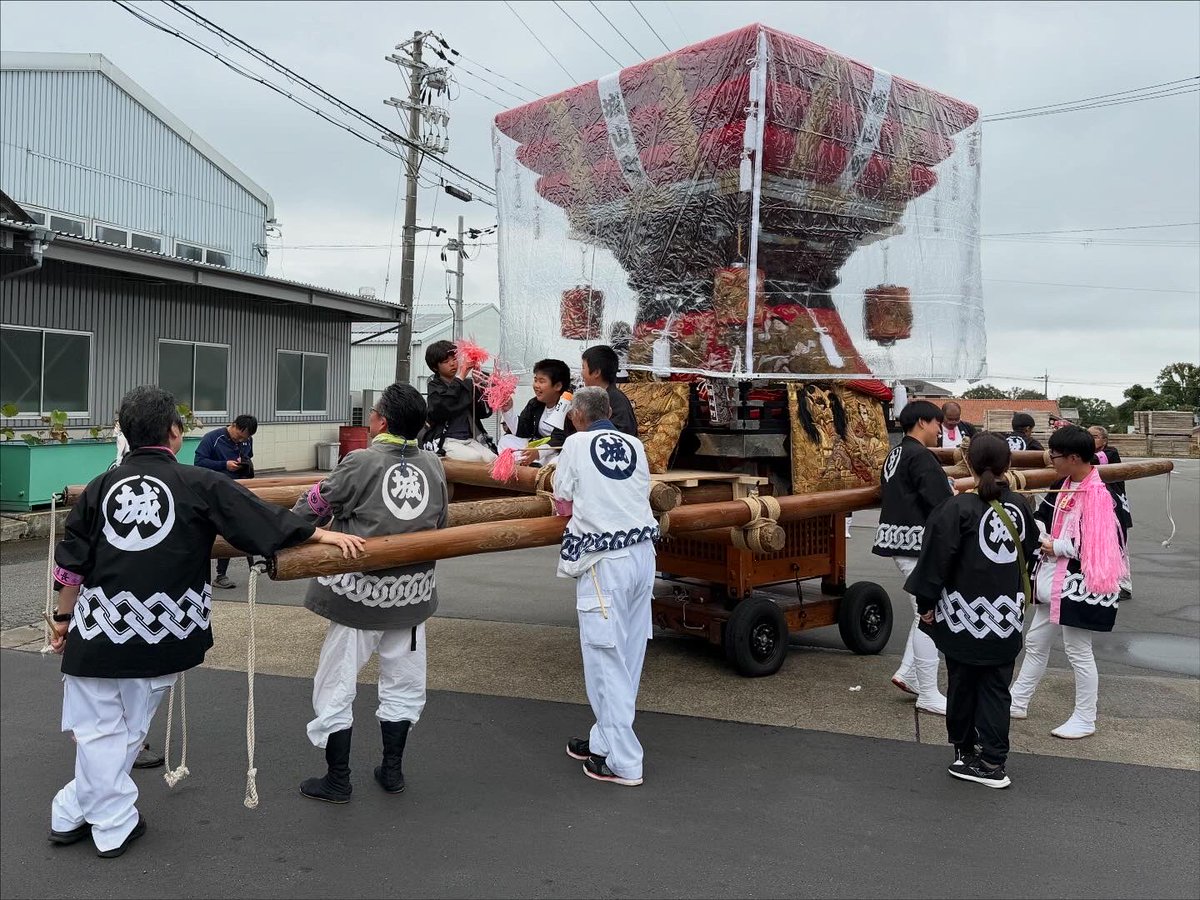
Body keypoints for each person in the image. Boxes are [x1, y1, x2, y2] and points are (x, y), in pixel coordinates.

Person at [46, 386, 363, 858]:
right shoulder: (198, 482)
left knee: (97, 731)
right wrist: (319, 532)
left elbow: (70, 566)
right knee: (127, 731)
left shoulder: (98, 487)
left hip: (96, 630)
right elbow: (259, 521)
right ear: (175, 433)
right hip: (161, 630)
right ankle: (109, 822)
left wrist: (62, 620)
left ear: (126, 435)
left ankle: (70, 812)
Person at [292, 383, 449, 803]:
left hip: (359, 597)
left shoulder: (360, 460)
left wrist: (290, 524)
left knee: (337, 684)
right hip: (413, 594)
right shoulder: (433, 464)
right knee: (403, 683)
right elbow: (442, 521)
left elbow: (315, 506)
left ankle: (338, 779)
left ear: (380, 420)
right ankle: (392, 771)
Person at [905, 433, 1040, 789]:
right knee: (997, 687)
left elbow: (934, 562)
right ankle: (993, 757)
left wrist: (926, 605)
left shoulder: (957, 508)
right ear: (1008, 465)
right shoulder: (1022, 507)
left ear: (968, 464)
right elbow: (1031, 554)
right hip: (1007, 614)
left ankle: (970, 753)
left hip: (964, 615)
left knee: (963, 684)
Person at [553, 387, 660, 786]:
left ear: (577, 415)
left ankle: (624, 760)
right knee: (627, 654)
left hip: (604, 561)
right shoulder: (633, 442)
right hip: (642, 554)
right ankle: (603, 739)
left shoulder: (576, 444)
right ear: (609, 412)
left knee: (604, 659)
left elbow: (562, 496)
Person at [1009, 425, 1127, 740]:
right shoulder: (1064, 484)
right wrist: (1037, 530)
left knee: (1078, 650)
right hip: (1056, 582)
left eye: (1056, 455)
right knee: (1035, 641)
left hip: (1079, 584)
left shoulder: (1100, 493)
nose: (1051, 460)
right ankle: (1017, 700)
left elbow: (1102, 545)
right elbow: (1046, 519)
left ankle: (1086, 717)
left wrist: (1055, 546)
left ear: (1074, 457)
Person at [872, 399, 953, 715]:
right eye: (937, 424)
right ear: (922, 422)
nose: (939, 431)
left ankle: (910, 674)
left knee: (924, 611)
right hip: (916, 544)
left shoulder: (896, 453)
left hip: (899, 540)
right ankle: (928, 692)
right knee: (930, 615)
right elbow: (941, 503)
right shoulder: (921, 456)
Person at [193, 414, 259, 589]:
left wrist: (244, 463)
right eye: (240, 435)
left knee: (244, 527)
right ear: (234, 425)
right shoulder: (213, 438)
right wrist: (224, 465)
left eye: (245, 439)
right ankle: (220, 574)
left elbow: (249, 456)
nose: (241, 440)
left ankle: (253, 567)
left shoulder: (246, 440)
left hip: (240, 488)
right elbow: (199, 462)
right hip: (216, 490)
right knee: (225, 528)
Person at [422, 339, 499, 462]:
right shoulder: (434, 386)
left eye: (454, 359)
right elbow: (443, 408)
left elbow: (484, 413)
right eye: (446, 361)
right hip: (446, 440)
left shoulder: (467, 384)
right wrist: (461, 376)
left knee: (493, 458)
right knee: (474, 457)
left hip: (469, 439)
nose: (452, 364)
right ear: (435, 367)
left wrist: (480, 386)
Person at [499, 358, 573, 467]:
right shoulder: (535, 403)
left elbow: (560, 439)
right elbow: (522, 430)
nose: (536, 385)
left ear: (558, 386)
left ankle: (530, 462)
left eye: (542, 381)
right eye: (535, 380)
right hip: (537, 446)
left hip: (556, 451)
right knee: (506, 440)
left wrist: (538, 452)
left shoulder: (567, 407)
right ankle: (529, 461)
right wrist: (508, 410)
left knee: (555, 461)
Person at [1089, 425, 1133, 600]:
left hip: (1116, 507)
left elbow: (1093, 459)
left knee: (1119, 545)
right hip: (1098, 507)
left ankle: (1124, 584)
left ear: (1104, 440)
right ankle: (1102, 582)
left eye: (1094, 436)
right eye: (1087, 436)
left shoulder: (1110, 453)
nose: (1090, 439)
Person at [563, 345, 638, 438]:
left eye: (583, 368)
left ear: (596, 372)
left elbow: (619, 438)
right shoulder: (583, 398)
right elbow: (561, 434)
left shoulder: (618, 402)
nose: (581, 373)